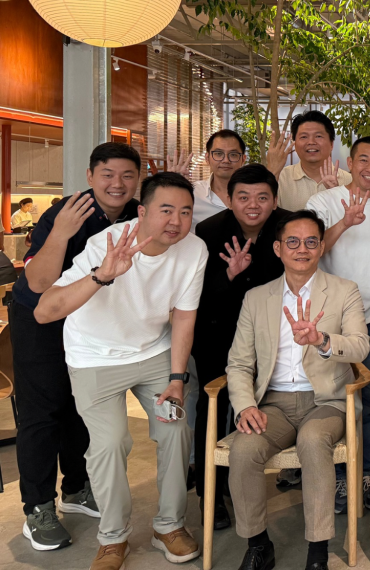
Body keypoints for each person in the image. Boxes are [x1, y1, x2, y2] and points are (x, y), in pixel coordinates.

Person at [35, 172, 208, 570]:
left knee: (176, 429)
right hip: (95, 357)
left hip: (155, 354)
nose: (176, 221)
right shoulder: (106, 244)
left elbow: (184, 317)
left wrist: (177, 378)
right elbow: (45, 311)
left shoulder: (194, 249)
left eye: (185, 212)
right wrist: (102, 276)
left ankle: (169, 526)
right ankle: (113, 538)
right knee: (110, 443)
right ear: (142, 212)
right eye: (166, 210)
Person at [10, 143, 141, 552]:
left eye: (127, 175)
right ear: (90, 176)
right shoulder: (67, 212)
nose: (117, 184)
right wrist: (61, 233)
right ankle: (38, 507)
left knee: (80, 405)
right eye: (107, 174)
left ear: (137, 180)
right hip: (41, 319)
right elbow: (38, 283)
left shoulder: (137, 215)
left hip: (89, 321)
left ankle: (76, 488)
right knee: (42, 412)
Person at [226, 210, 370, 570]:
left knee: (313, 440)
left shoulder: (343, 290)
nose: (301, 249)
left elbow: (360, 347)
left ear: (321, 247)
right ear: (277, 249)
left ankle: (318, 551)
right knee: (244, 449)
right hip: (272, 404)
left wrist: (322, 340)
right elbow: (239, 363)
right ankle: (258, 544)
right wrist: (245, 406)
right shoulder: (257, 298)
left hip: (326, 401)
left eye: (310, 242)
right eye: (292, 241)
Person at [306, 136, 370, 515]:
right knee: (330, 402)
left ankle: (367, 475)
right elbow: (308, 250)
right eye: (363, 159)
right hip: (324, 325)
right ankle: (337, 477)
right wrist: (344, 223)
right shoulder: (323, 202)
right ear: (349, 163)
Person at [192, 165, 290, 529]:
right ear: (230, 200)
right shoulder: (208, 231)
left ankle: (243, 479)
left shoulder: (287, 227)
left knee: (263, 405)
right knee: (213, 409)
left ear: (274, 201)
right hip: (218, 333)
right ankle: (210, 495)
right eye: (243, 197)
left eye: (262, 197)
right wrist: (230, 274)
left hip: (274, 334)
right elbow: (196, 293)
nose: (253, 205)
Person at [277, 111, 352, 211]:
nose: (311, 142)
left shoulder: (350, 181)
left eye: (318, 136)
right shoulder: (280, 178)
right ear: (295, 143)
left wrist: (337, 194)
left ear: (331, 144)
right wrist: (272, 170)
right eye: (304, 137)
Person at [190, 130, 248, 227]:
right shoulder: (192, 193)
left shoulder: (255, 196)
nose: (226, 160)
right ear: (207, 158)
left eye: (233, 155)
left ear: (243, 159)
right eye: (218, 153)